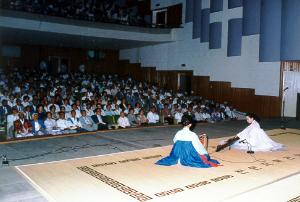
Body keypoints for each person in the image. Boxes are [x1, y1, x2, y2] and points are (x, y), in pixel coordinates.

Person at [216, 112, 285, 152]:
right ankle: (230, 141)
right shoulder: (254, 123)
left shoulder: (254, 125)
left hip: (253, 140)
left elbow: (246, 133)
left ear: (252, 118)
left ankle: (228, 142)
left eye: (247, 119)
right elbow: (245, 131)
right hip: (252, 137)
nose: (246, 120)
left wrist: (238, 137)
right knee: (236, 140)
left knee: (238, 142)